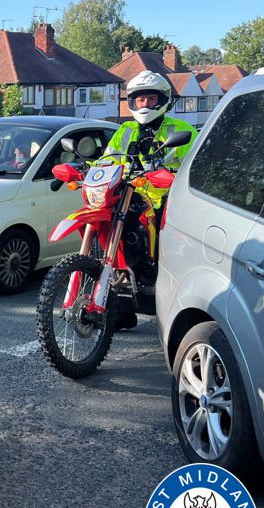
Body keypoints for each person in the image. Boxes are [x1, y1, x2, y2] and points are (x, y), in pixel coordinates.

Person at [101, 70, 197, 331]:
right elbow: (108, 159)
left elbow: (195, 167)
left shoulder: (181, 130)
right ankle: (120, 310)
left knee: (170, 253)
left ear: (162, 100)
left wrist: (174, 176)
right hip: (131, 197)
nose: (145, 104)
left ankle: (177, 307)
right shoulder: (126, 130)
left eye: (151, 99)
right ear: (132, 102)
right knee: (120, 246)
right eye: (140, 99)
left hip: (168, 199)